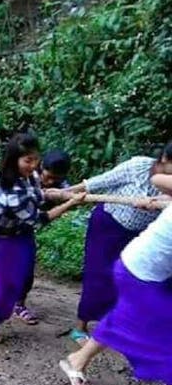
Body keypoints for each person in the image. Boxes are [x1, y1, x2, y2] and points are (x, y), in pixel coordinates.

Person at [0, 133, 85, 344]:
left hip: (9, 238)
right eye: (27, 160)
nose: (33, 164)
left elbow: (37, 194)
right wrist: (69, 204)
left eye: (35, 159)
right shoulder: (10, 189)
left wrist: (58, 193)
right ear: (14, 160)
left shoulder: (28, 177)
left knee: (11, 284)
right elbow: (38, 220)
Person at [58, 172, 172, 385]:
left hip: (146, 269)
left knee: (125, 316)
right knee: (166, 335)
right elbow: (158, 179)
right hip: (140, 271)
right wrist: (161, 197)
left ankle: (77, 360)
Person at [64, 144, 172, 345]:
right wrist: (66, 193)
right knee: (97, 276)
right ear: (165, 158)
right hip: (107, 227)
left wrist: (153, 201)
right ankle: (80, 326)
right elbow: (98, 183)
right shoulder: (138, 166)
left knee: (125, 281)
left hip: (140, 236)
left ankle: (113, 329)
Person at [0, 149, 73, 325]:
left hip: (25, 229)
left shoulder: (64, 186)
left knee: (26, 270)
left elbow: (67, 196)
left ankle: (19, 304)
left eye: (55, 180)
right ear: (41, 167)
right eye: (47, 176)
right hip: (5, 230)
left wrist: (67, 199)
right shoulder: (24, 176)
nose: (50, 182)